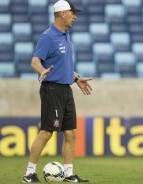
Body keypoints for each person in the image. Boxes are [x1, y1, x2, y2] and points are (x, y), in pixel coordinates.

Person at [22, 0, 92, 183]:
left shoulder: (66, 35)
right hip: (51, 89)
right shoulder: (48, 37)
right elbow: (35, 61)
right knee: (46, 132)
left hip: (66, 90)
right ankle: (29, 174)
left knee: (71, 133)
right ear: (62, 14)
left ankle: (68, 174)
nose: (75, 16)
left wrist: (76, 78)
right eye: (72, 13)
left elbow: (64, 65)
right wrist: (41, 71)